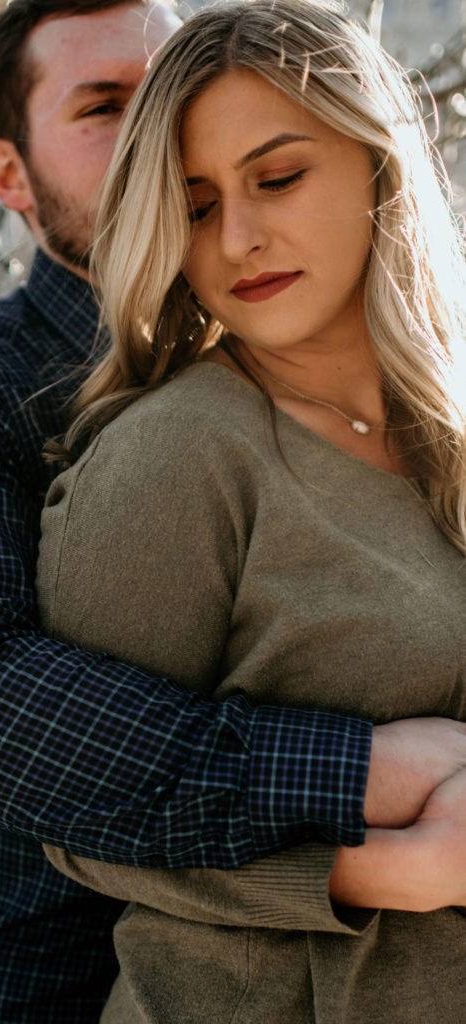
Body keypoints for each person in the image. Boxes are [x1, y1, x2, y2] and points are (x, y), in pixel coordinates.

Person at [0, 1, 466, 1022]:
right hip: (30, 981)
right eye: (106, 109)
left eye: (166, 84)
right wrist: (369, 786)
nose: (157, 127)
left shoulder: (377, 393)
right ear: (5, 174)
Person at [35, 1, 466, 1021]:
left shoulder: (450, 426)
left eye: (277, 177)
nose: (237, 237)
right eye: (191, 204)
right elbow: (79, 811)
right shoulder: (173, 457)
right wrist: (372, 869)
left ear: (376, 164)